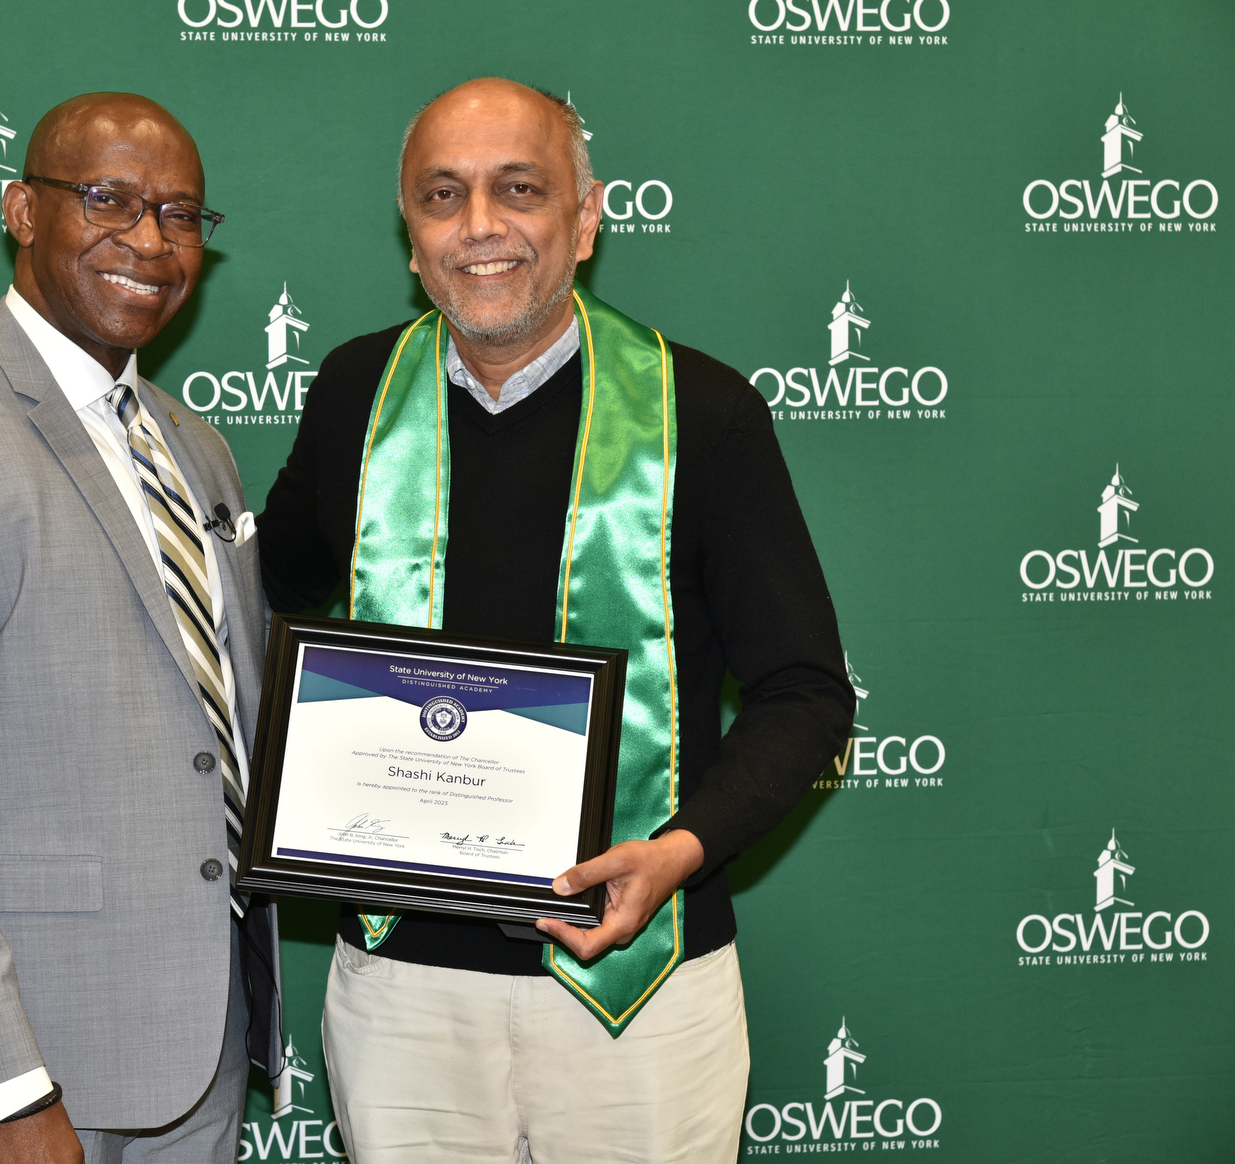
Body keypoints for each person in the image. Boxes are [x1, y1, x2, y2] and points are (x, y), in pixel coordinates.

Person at [257, 78, 854, 1162]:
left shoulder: (702, 411)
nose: (479, 226)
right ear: (410, 236)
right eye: (443, 196)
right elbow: (275, 584)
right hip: (401, 993)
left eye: (517, 189)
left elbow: (805, 691)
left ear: (585, 219)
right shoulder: (352, 392)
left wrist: (679, 852)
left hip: (641, 990)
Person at [0, 93, 281, 1164]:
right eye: (109, 200)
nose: (151, 242)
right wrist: (7, 1091)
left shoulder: (193, 444)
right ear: (24, 209)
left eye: (180, 215)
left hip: (202, 1043)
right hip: (34, 1067)